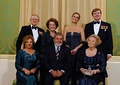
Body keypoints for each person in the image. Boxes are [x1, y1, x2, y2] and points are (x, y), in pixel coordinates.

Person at [84, 8, 113, 85]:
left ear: (100, 14)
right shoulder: (87, 26)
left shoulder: (107, 25)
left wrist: (109, 52)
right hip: (90, 51)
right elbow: (86, 40)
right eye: (95, 13)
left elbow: (109, 39)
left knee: (102, 68)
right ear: (92, 15)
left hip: (103, 51)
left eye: (98, 13)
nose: (96, 14)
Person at [63, 12, 85, 85]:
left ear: (78, 19)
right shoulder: (66, 27)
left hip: (77, 51)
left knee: (75, 69)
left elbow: (84, 41)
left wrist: (76, 49)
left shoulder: (80, 28)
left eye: (77, 17)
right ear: (71, 17)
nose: (75, 18)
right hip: (68, 51)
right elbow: (63, 40)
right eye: (74, 16)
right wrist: (69, 49)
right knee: (68, 69)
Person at [40, 18, 59, 85]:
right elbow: (42, 46)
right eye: (50, 24)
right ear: (48, 26)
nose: (52, 26)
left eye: (53, 24)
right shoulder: (45, 35)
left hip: (56, 60)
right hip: (47, 60)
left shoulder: (58, 35)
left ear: (56, 25)